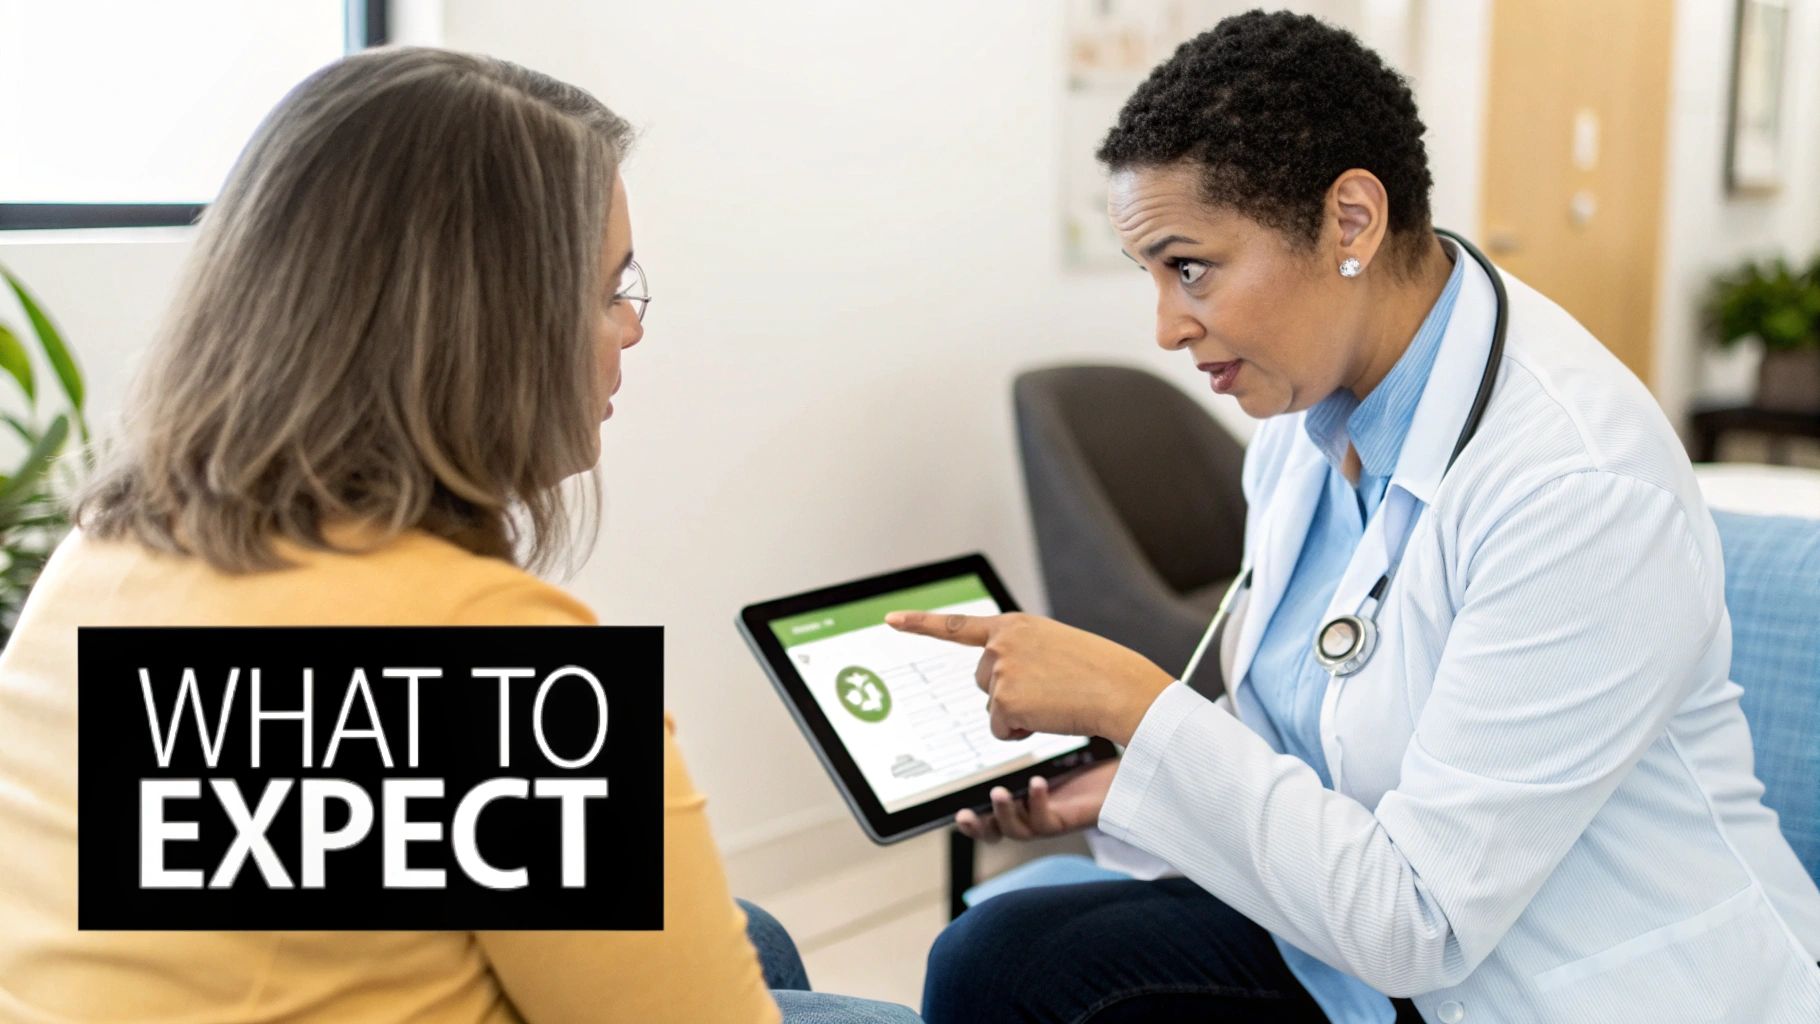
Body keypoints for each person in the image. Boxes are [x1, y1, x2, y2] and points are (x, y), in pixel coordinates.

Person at [891, 12, 1820, 1023]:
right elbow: (1306, 765)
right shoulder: (1301, 421)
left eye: (1188, 266)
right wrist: (1137, 783)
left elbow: (1416, 920)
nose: (1163, 327)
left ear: (1348, 222)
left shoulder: (1575, 487)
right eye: (1148, 275)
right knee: (1006, 957)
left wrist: (1140, 706)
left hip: (1576, 986)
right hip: (1362, 960)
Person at [0, 46, 915, 1024]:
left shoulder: (100, 550)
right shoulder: (486, 646)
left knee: (754, 933)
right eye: (611, 290)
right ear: (491, 326)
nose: (631, 329)